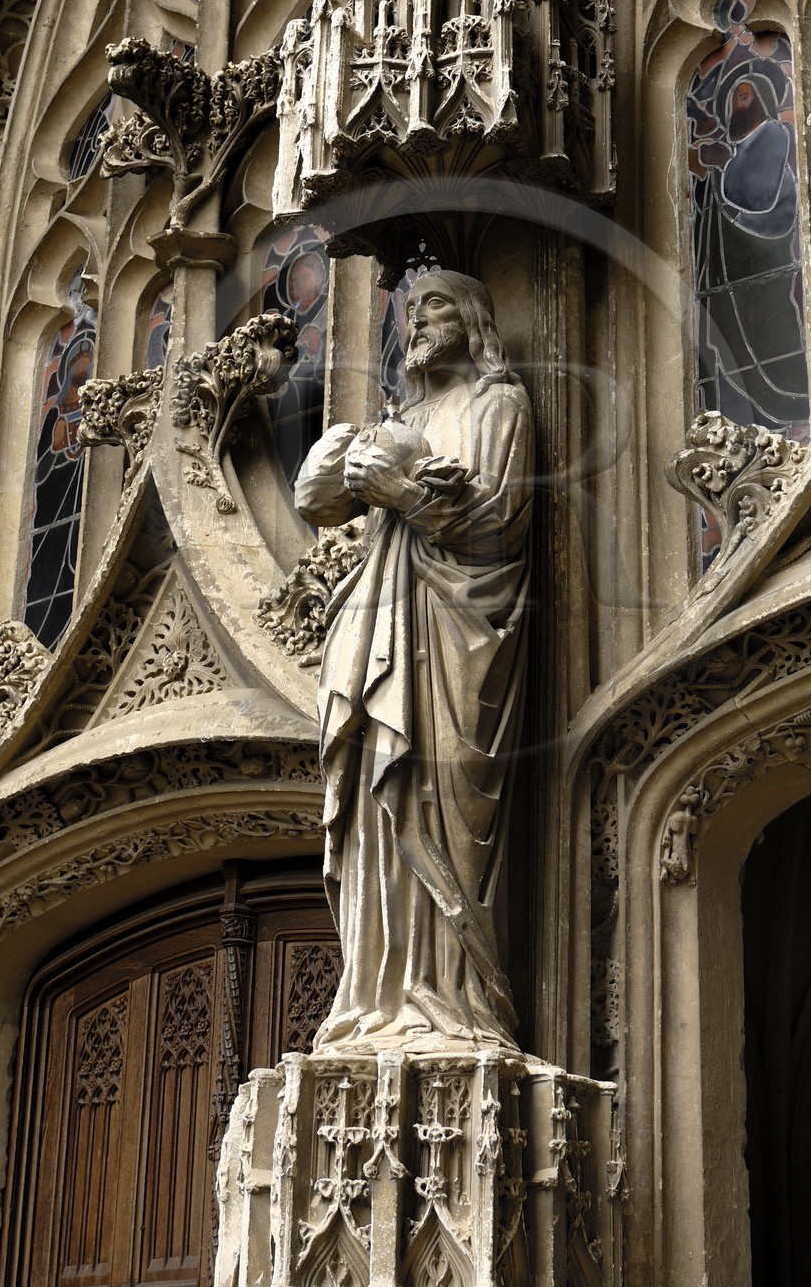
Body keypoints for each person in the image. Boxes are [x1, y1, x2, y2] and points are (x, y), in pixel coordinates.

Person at [294, 271, 534, 1051]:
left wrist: (402, 493)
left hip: (459, 638)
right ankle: (380, 994)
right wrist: (348, 469)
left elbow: (499, 531)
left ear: (472, 317)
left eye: (434, 305)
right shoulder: (403, 416)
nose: (416, 320)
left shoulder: (499, 404)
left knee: (442, 800)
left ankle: (457, 999)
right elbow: (319, 503)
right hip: (383, 627)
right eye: (409, 308)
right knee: (374, 799)